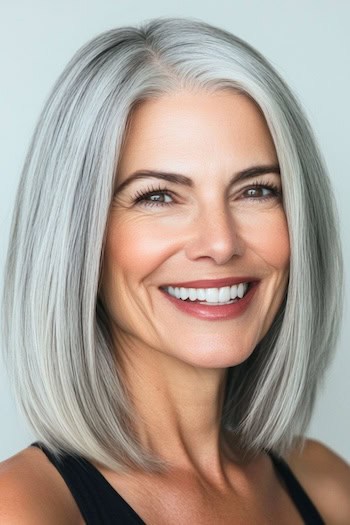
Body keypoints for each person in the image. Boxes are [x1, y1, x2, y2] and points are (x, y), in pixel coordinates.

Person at [0, 16, 349, 524]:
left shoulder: (326, 486)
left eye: (256, 190)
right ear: (78, 239)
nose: (221, 242)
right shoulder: (24, 509)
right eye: (158, 196)